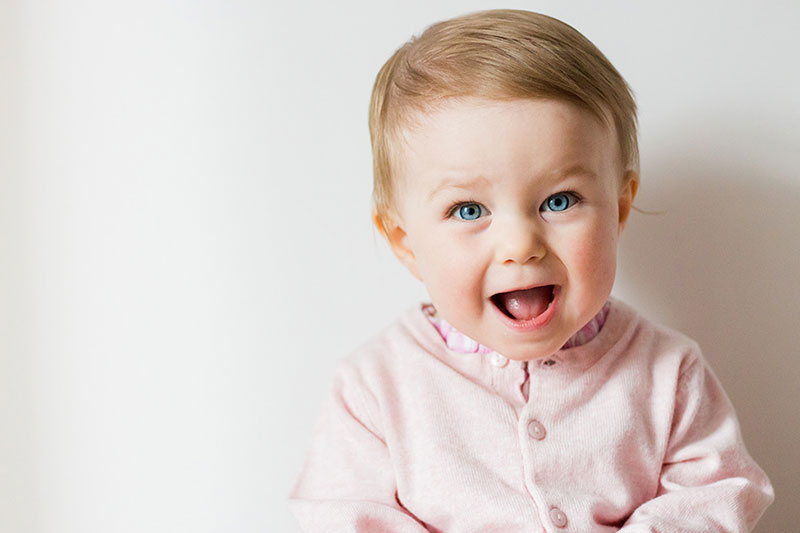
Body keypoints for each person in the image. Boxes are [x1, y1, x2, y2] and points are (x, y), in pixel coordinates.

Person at [288, 9, 774, 531]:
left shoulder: (667, 373)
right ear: (406, 243)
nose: (521, 246)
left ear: (617, 210)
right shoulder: (375, 389)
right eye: (469, 210)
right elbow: (342, 517)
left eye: (560, 200)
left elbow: (716, 498)